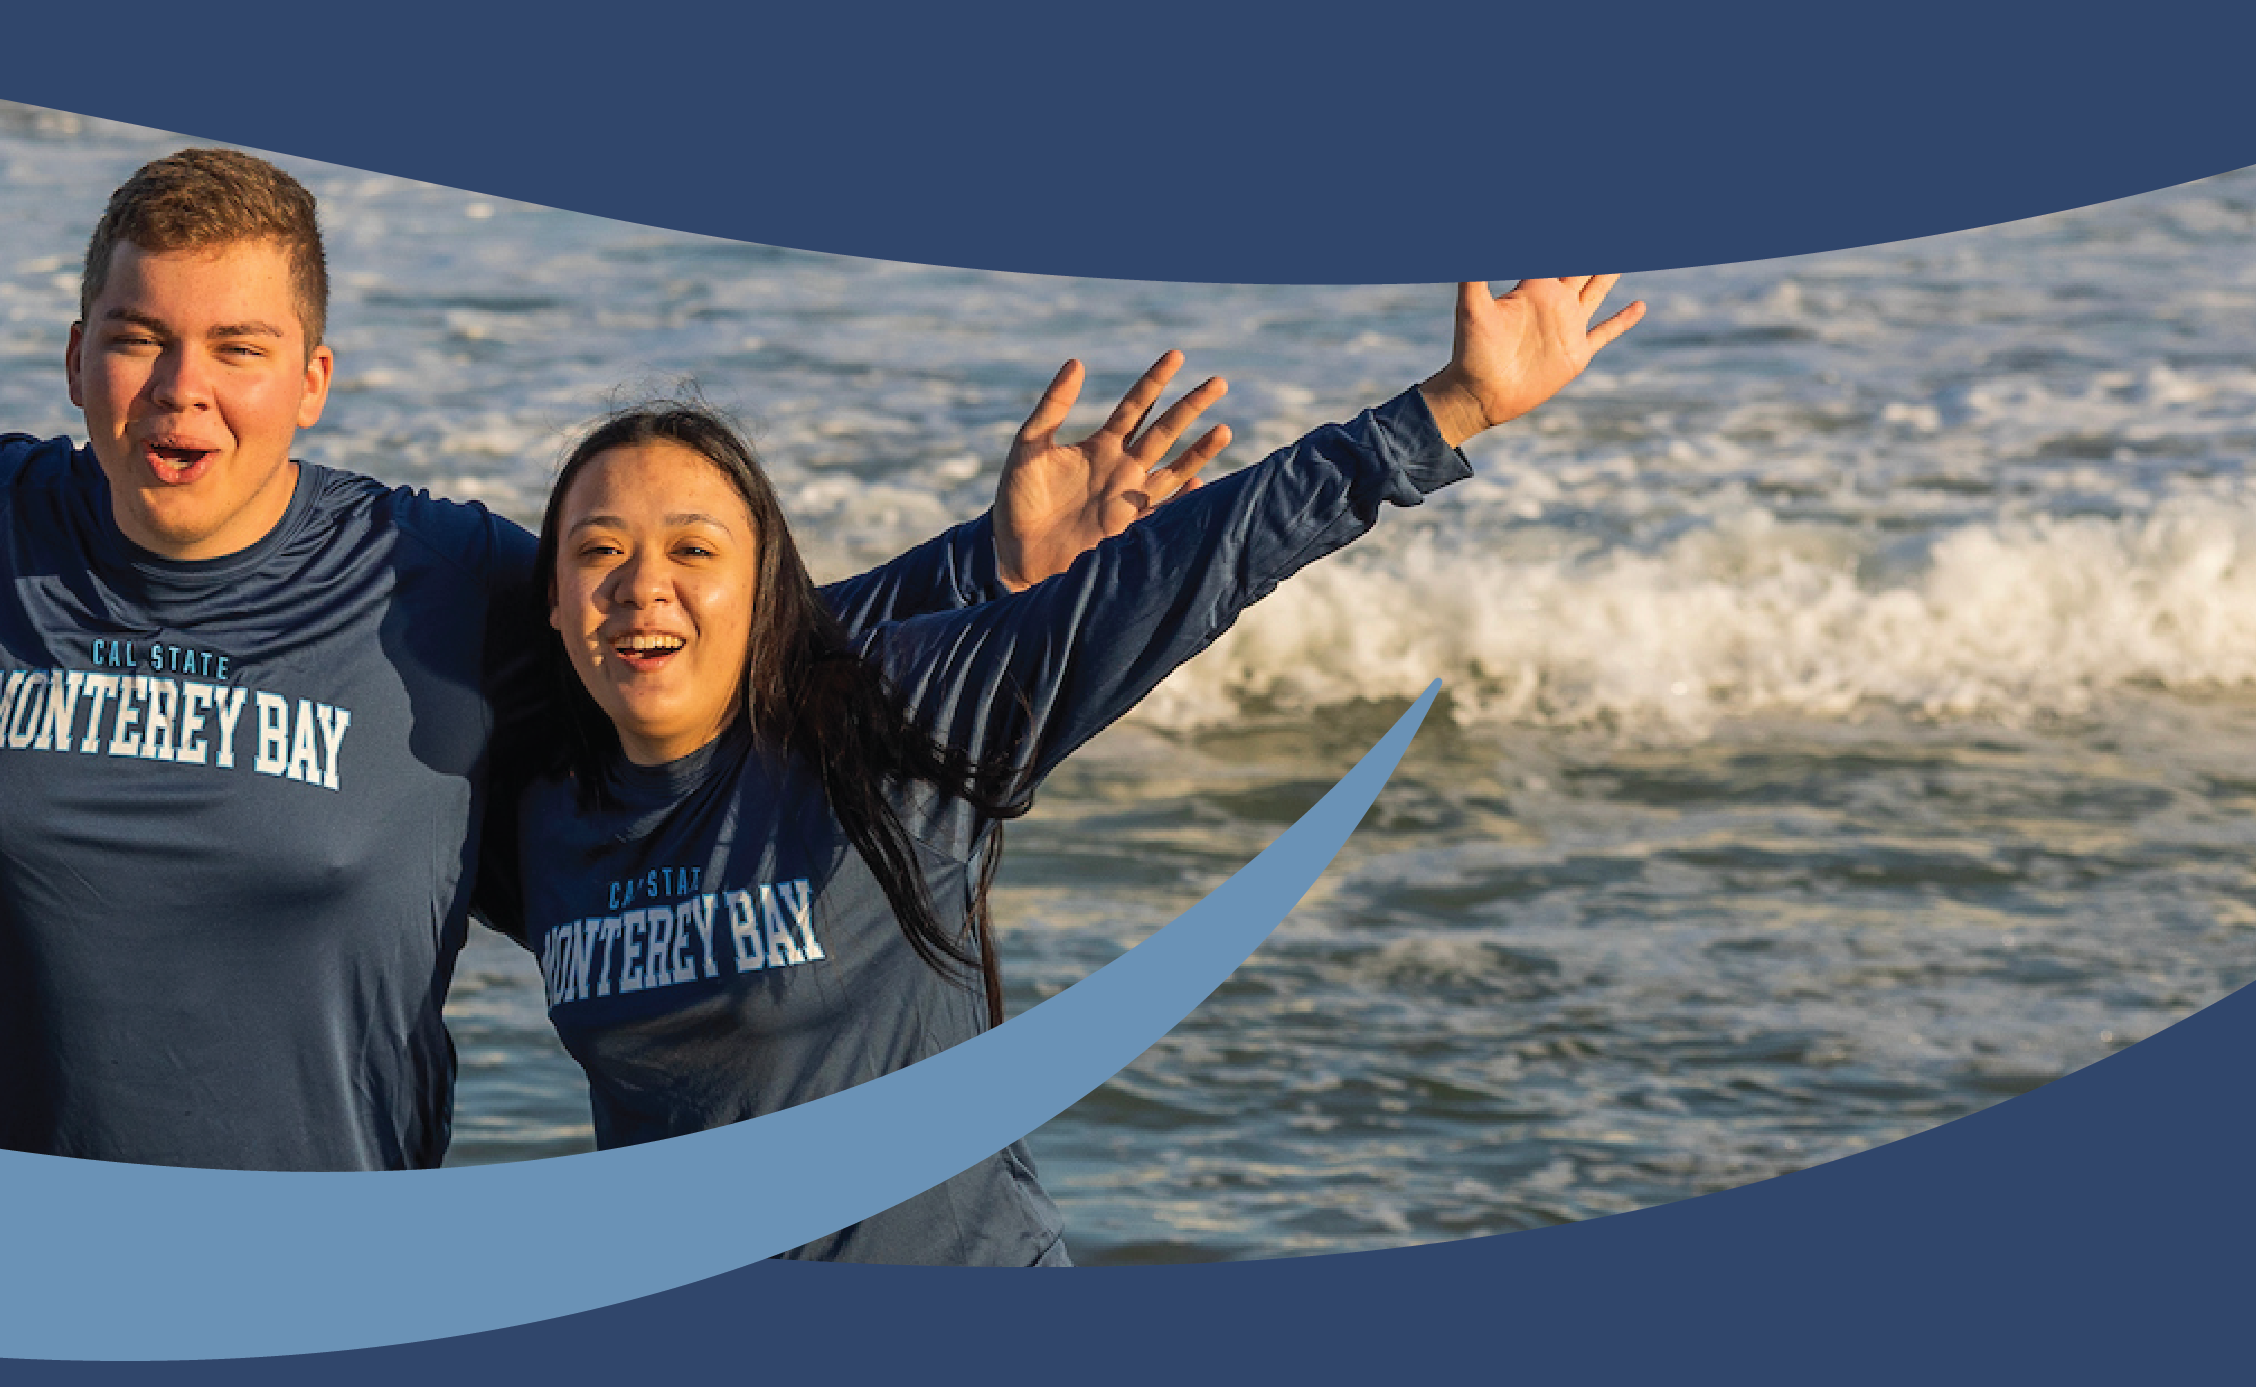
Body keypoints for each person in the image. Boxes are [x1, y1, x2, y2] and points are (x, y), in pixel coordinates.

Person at [0, 148, 1226, 1169]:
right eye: (133, 336)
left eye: (227, 346)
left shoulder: (433, 573)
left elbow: (685, 651)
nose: (175, 385)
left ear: (311, 375)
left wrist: (990, 563)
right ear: (76, 355)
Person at [502, 273, 1640, 1261]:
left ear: (762, 589)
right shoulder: (539, 808)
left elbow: (1186, 566)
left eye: (693, 548)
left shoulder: (889, 723)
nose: (641, 585)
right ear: (552, 604)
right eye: (596, 551)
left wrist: (1445, 411)